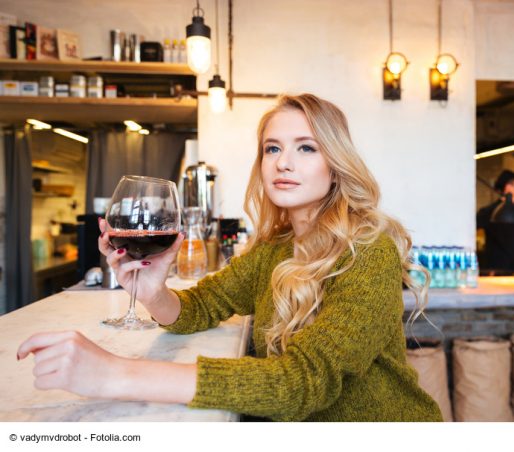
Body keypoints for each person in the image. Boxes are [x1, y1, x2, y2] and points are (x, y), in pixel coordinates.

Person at [17, 94, 443, 422]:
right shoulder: (272, 251)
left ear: (336, 164)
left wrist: (115, 373)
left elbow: (303, 383)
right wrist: (153, 292)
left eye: (306, 148)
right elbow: (199, 307)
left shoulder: (367, 251)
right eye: (272, 149)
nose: (284, 163)